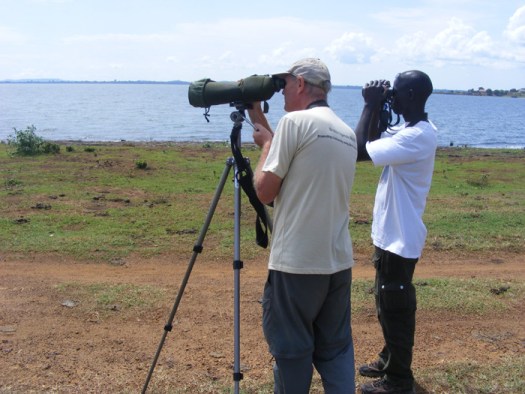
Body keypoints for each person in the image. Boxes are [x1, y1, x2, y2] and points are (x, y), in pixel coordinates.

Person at [247, 58, 358, 393]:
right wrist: (256, 113)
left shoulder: (295, 123)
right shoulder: (345, 132)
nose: (280, 93)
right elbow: (296, 156)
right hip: (337, 262)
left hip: (296, 265)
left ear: (299, 83)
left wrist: (266, 146)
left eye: (283, 86)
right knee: (336, 351)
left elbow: (266, 192)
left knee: (292, 354)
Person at [354, 71, 437, 394]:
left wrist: (369, 105)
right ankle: (390, 357)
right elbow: (374, 139)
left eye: (397, 94)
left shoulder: (416, 137)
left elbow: (360, 150)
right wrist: (378, 108)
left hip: (400, 239)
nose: (394, 99)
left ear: (413, 96)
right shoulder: (412, 129)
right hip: (392, 235)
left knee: (396, 307)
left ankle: (399, 379)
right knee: (386, 303)